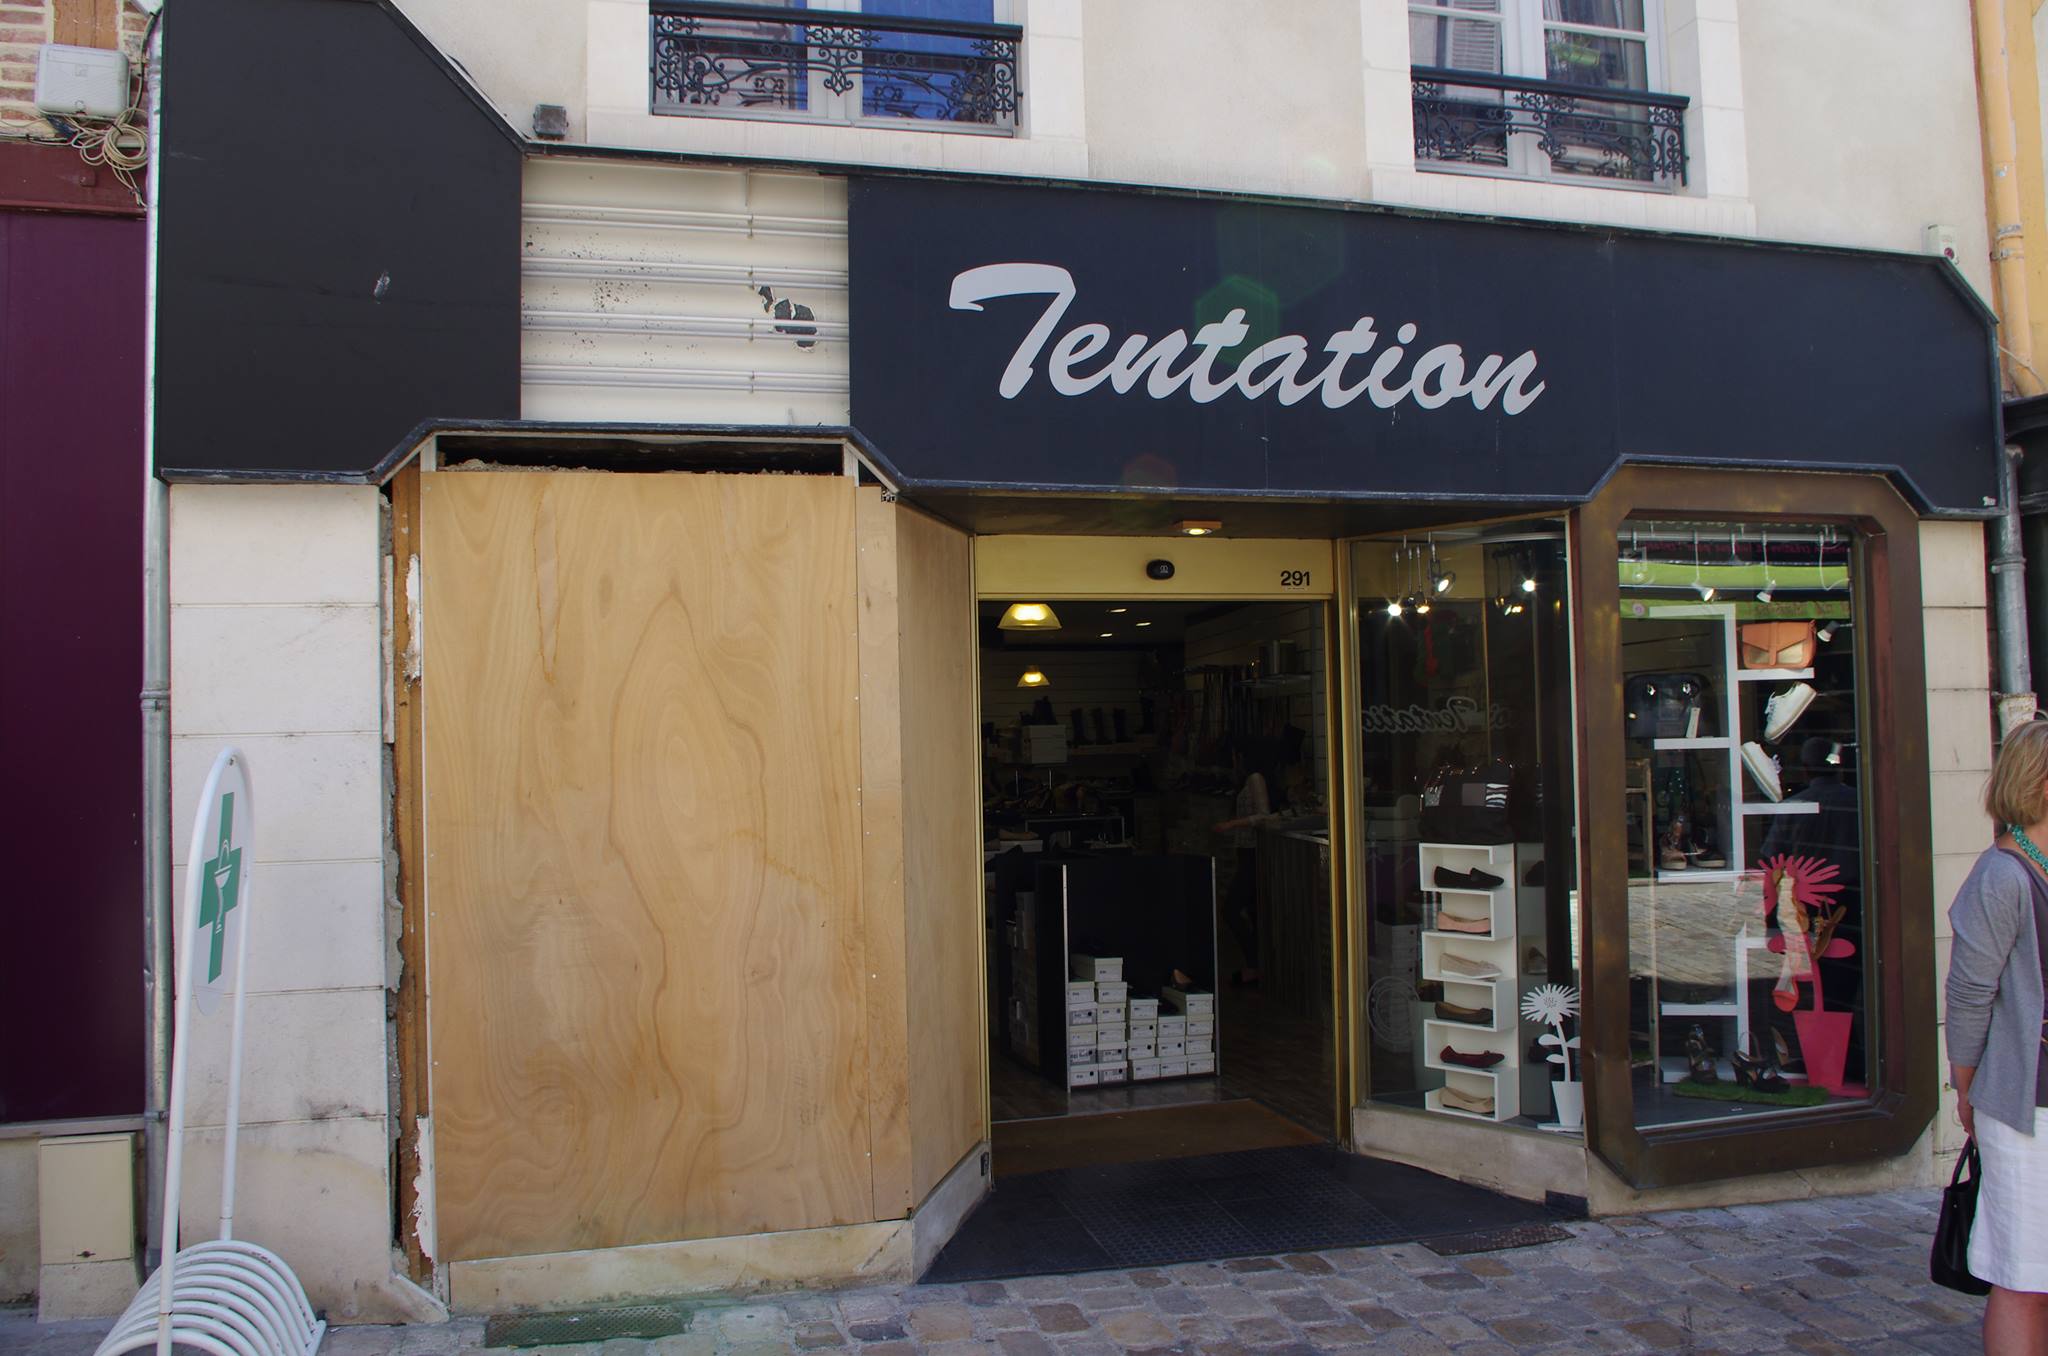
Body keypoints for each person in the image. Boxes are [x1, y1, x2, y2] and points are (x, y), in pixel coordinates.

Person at [1945, 719, 2048, 1351]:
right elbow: (1968, 995)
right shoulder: (2002, 876)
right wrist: (1966, 1088)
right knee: (2025, 1274)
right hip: (2026, 1104)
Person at [1212, 734, 1283, 987]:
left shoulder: (1255, 778)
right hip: (1247, 851)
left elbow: (1264, 815)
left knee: (1231, 909)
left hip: (1253, 852)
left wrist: (1231, 824)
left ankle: (1254, 964)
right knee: (1252, 910)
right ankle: (1259, 966)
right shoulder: (1250, 778)